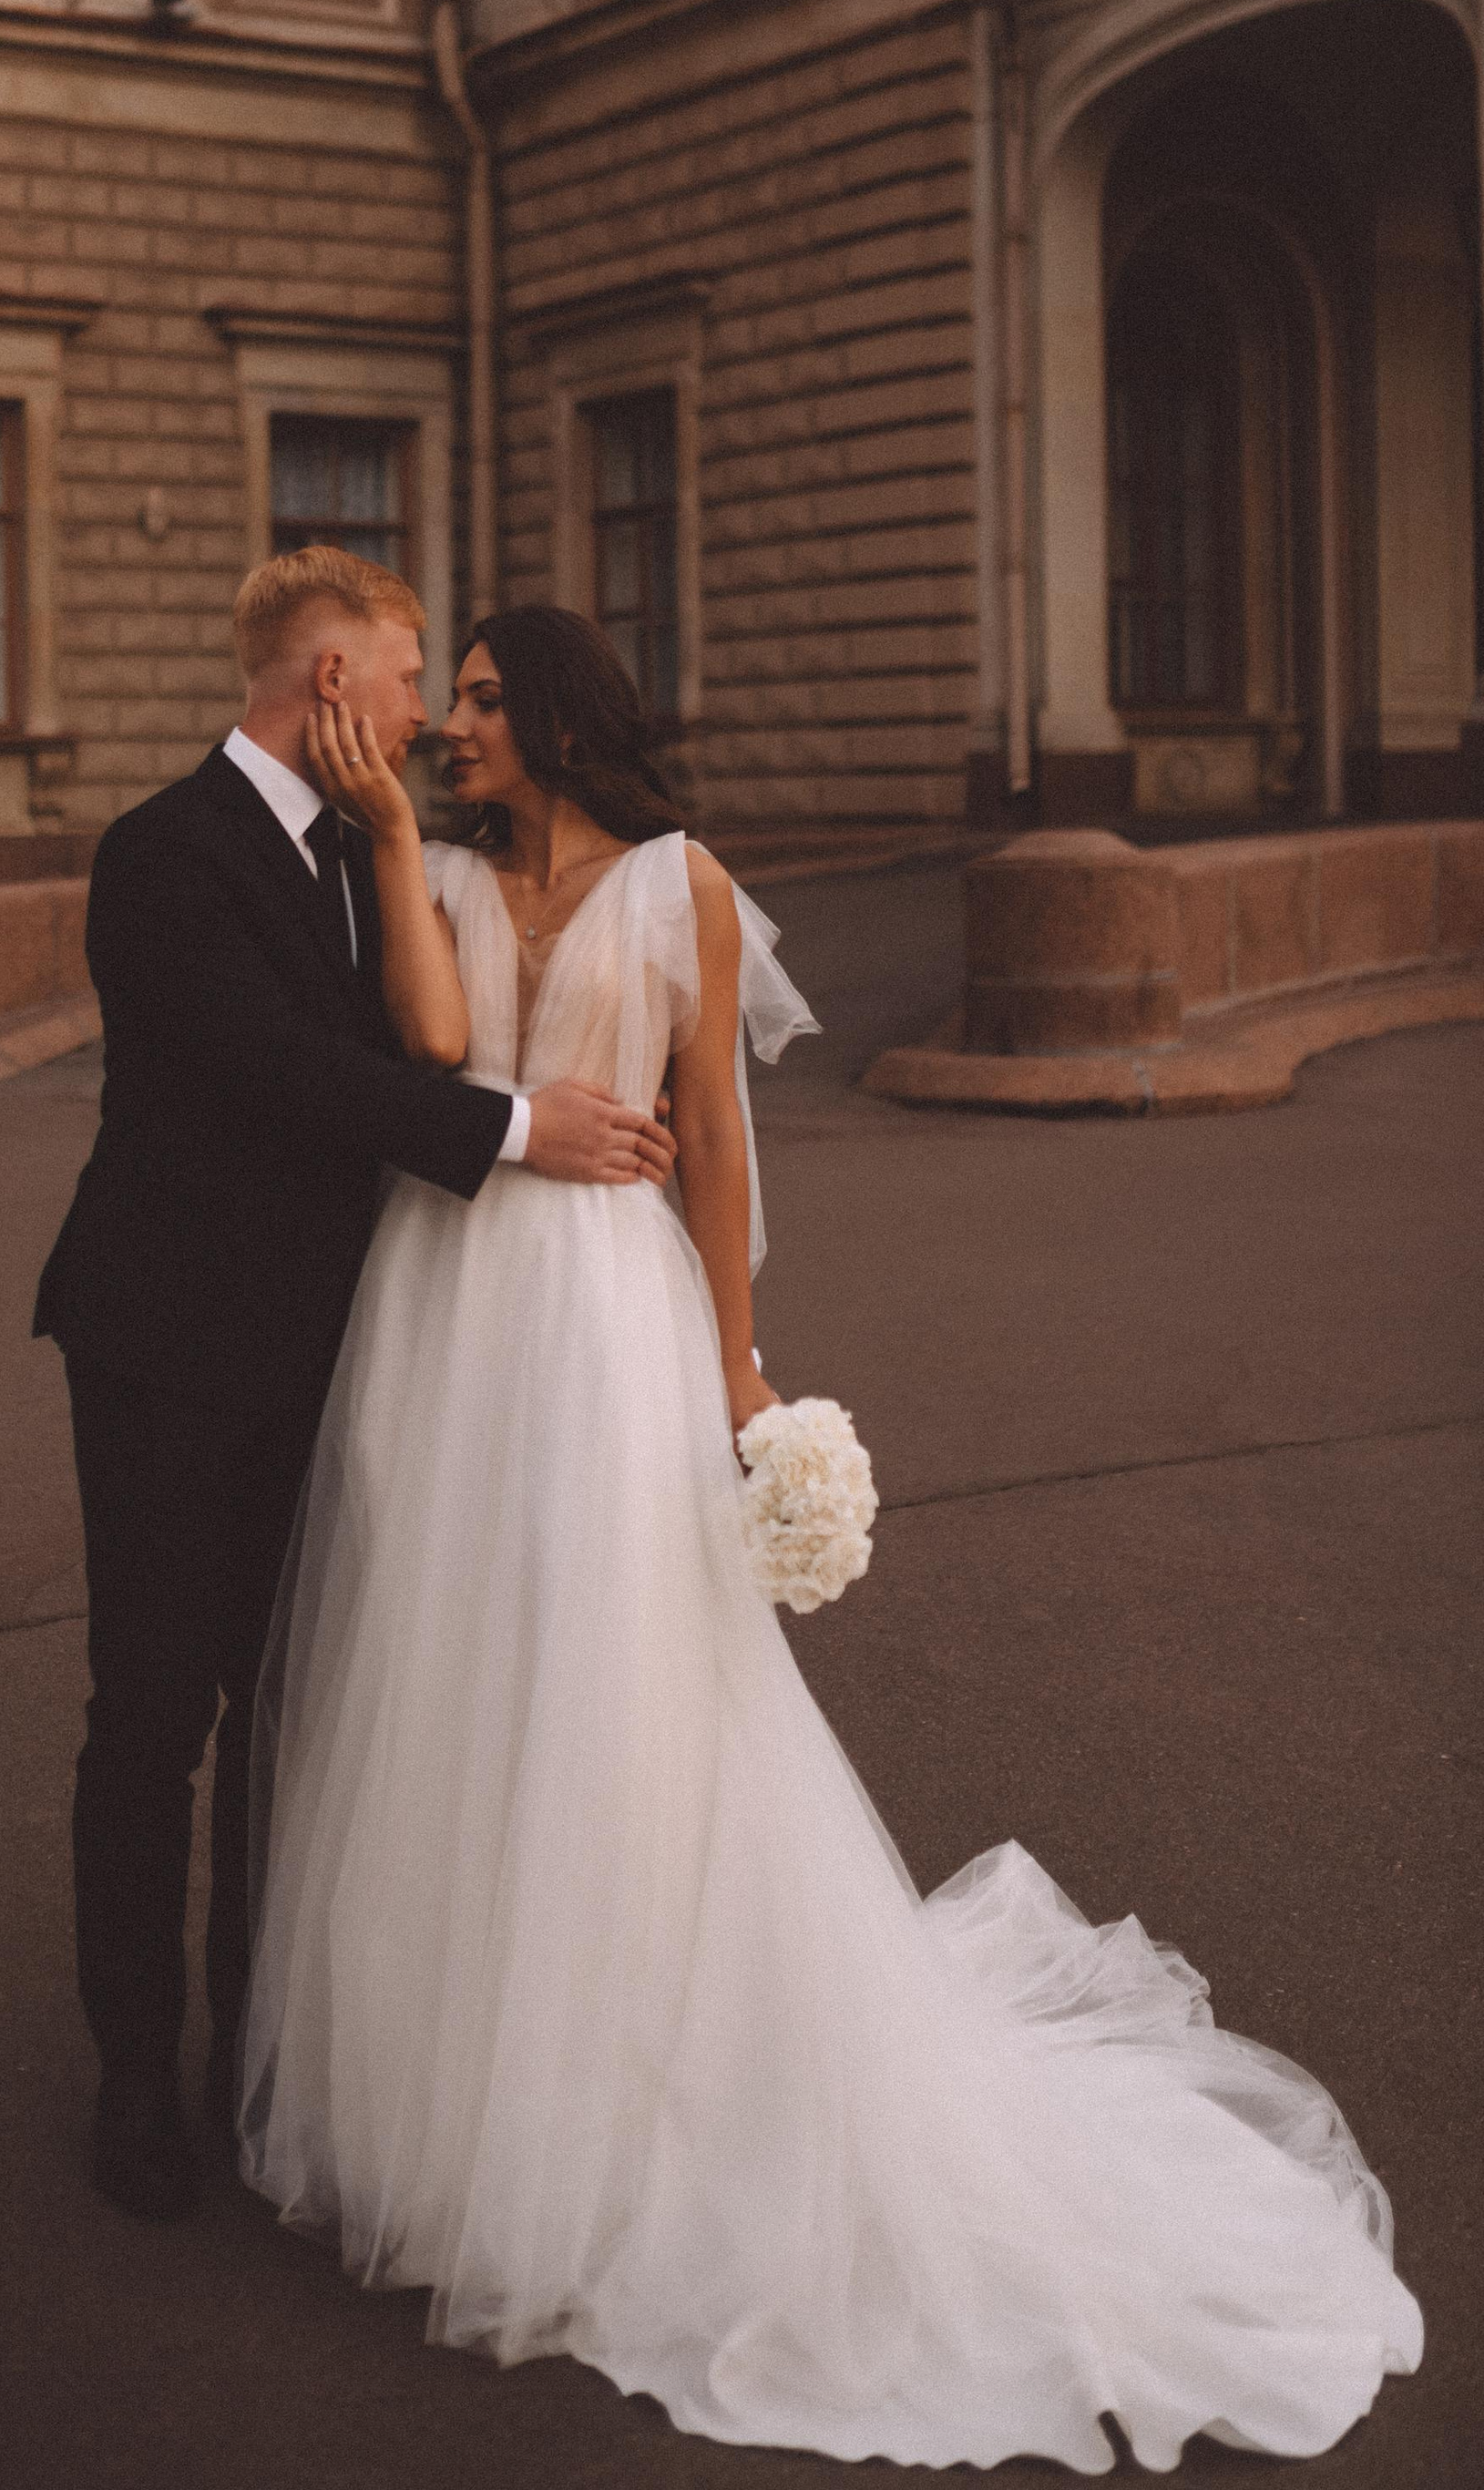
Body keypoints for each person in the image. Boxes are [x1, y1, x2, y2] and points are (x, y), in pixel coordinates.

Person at [238, 604, 1423, 2472]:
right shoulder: (447, 872)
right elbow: (436, 1048)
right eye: (442, 698)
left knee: (622, 1681)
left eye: (476, 700)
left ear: (551, 718)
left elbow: (709, 1136)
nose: (451, 725)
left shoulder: (679, 886)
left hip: (610, 1324)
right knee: (451, 1673)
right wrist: (392, 841)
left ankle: (632, 2091)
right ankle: (465, 2112)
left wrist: (732, 1372)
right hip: (449, 1312)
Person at [33, 549, 678, 2223]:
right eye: (406, 679)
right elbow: (280, 1074)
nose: (423, 715)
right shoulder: (160, 854)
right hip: (170, 1351)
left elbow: (415, 1028)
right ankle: (135, 2083)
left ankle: (264, 2052)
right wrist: (522, 1130)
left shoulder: (389, 851)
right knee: (153, 1716)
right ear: (329, 682)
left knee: (292, 1711)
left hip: (338, 1353)